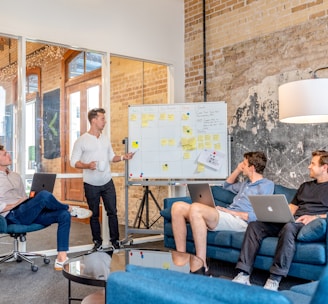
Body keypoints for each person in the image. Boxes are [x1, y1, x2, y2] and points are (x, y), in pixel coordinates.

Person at [233, 150, 328, 291]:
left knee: (289, 227)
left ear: (325, 167)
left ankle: (274, 279)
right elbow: (292, 208)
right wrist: (278, 214)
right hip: (292, 221)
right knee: (255, 225)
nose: (308, 166)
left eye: (312, 163)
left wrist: (316, 217)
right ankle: (243, 274)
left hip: (309, 224)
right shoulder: (305, 186)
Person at [171, 151, 274, 274]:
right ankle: (182, 255)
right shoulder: (245, 184)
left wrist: (229, 211)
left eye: (244, 164)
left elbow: (258, 216)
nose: (241, 165)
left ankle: (202, 264)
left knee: (196, 208)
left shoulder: (266, 185)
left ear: (252, 168)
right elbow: (226, 185)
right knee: (177, 207)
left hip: (240, 222)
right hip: (228, 216)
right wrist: (237, 170)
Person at [0, 145, 92, 270]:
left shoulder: (15, 176)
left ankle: (61, 258)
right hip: (12, 215)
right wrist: (17, 203)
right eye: (5, 154)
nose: (9, 155)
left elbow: (23, 196)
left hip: (26, 210)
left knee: (63, 215)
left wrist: (30, 200)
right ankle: (70, 209)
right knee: (44, 196)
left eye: (8, 153)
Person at [70, 107, 134, 251]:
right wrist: (87, 165)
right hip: (91, 184)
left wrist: (124, 157)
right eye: (102, 118)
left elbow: (112, 157)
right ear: (94, 120)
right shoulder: (82, 140)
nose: (104, 121)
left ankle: (115, 241)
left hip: (107, 182)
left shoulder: (105, 139)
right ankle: (97, 242)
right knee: (94, 214)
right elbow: (73, 162)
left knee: (112, 212)